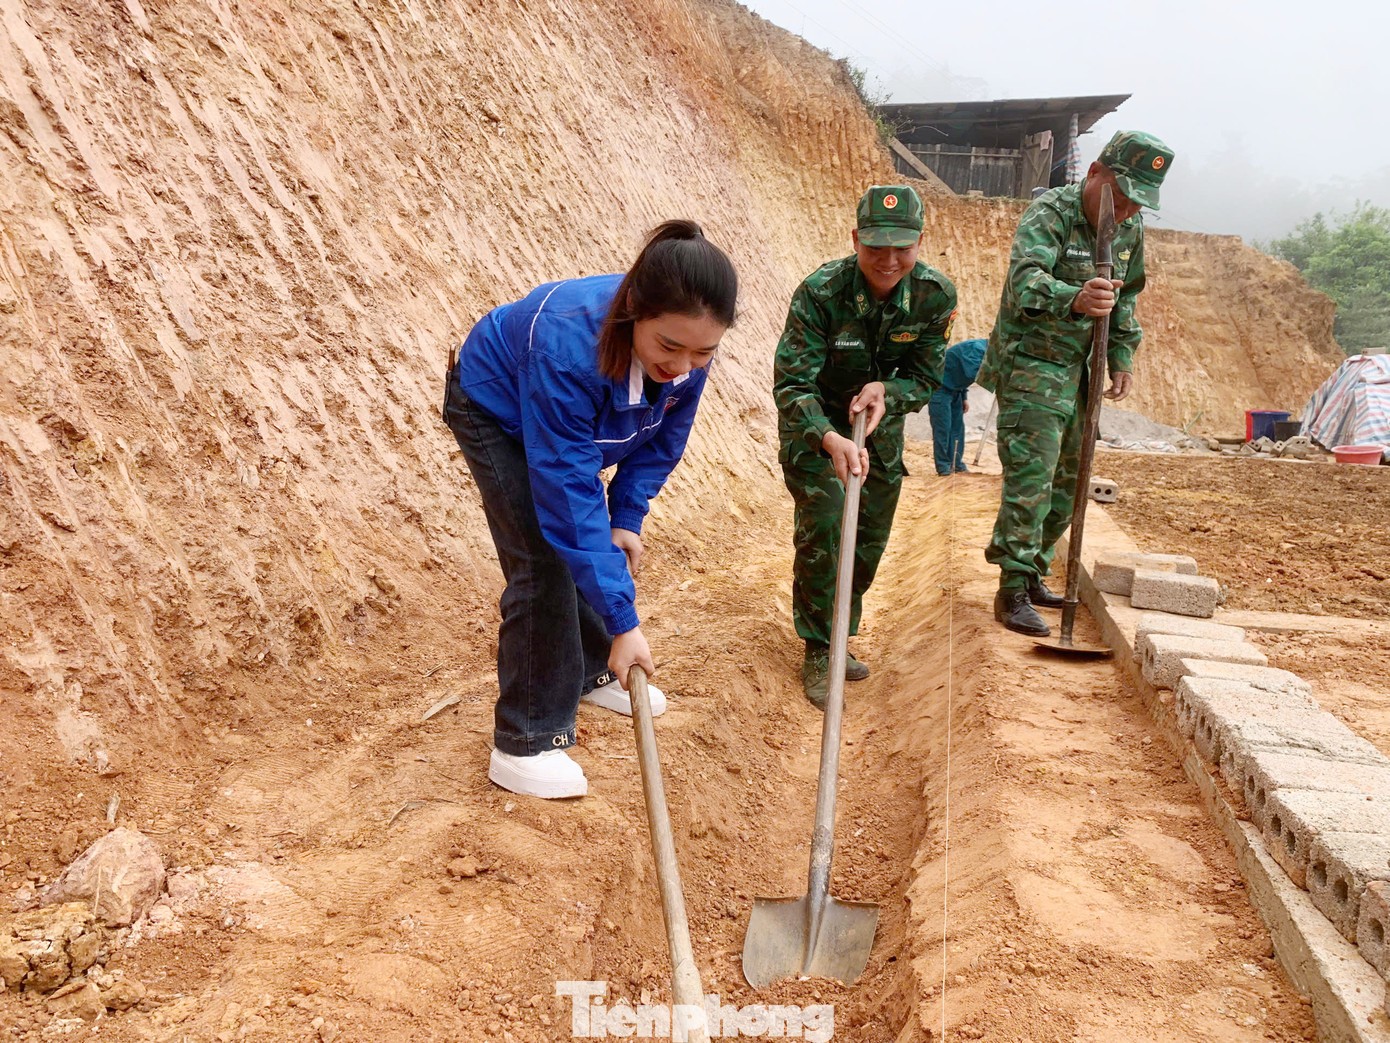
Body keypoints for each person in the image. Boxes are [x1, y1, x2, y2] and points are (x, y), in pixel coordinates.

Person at [443, 221, 738, 798]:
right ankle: (525, 740)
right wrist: (625, 624)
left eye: (704, 352)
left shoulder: (686, 354)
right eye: (669, 347)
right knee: (544, 557)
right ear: (633, 311)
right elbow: (570, 498)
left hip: (558, 421)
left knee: (589, 539)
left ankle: (593, 669)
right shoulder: (566, 349)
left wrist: (626, 516)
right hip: (494, 408)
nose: (683, 364)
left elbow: (662, 441)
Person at [976, 130, 1173, 637]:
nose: (1127, 210)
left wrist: (1122, 356)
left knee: (1069, 483)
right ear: (1094, 174)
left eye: (1137, 202)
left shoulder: (1129, 230)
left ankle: (1035, 570)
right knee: (1032, 479)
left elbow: (1126, 297)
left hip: (1083, 370)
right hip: (1032, 366)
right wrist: (1075, 296)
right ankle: (1012, 588)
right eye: (1121, 195)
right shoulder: (1051, 215)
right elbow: (1025, 281)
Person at [773, 185, 957, 708]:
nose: (889, 260)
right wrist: (829, 438)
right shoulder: (821, 293)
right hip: (817, 424)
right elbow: (791, 386)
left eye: (903, 247)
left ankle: (840, 632)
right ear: (855, 239)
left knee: (869, 536)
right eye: (876, 246)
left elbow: (924, 378)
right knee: (829, 521)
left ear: (920, 242)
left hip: (879, 427)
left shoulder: (935, 296)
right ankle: (818, 647)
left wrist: (886, 391)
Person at [927, 338, 987, 475]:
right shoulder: (977, 348)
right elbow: (973, 373)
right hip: (940, 390)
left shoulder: (985, 351)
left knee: (957, 430)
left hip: (957, 391)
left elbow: (961, 374)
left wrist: (964, 397)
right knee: (943, 430)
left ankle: (957, 464)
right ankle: (943, 468)